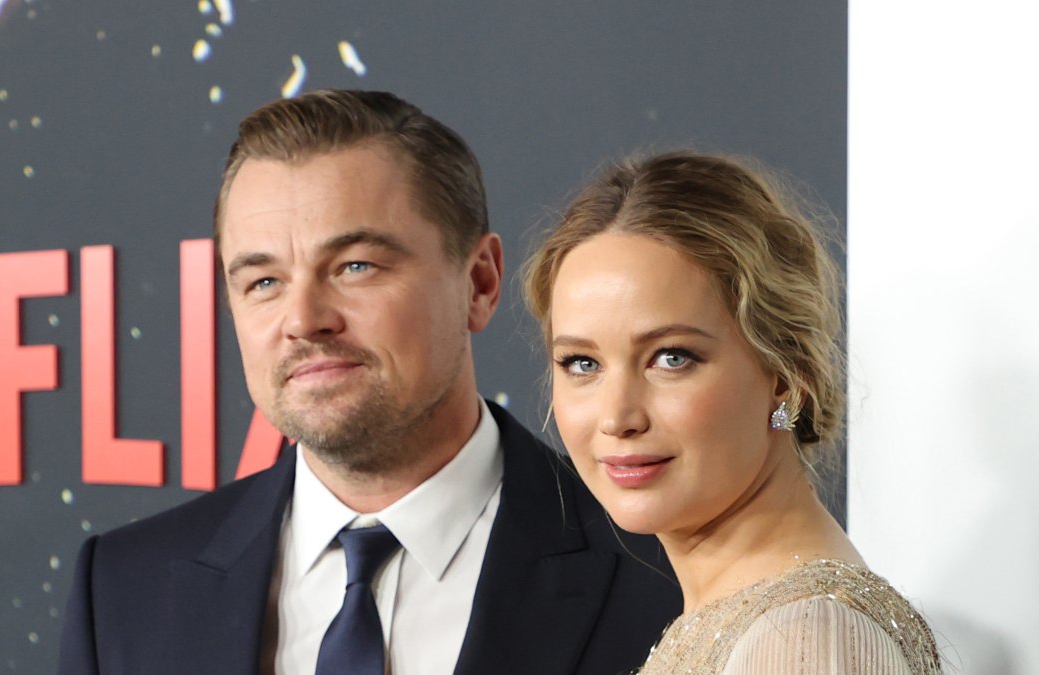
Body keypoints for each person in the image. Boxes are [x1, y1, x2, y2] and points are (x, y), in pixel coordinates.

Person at [57, 90, 680, 675]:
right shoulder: (121, 591)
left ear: (480, 283)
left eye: (356, 266)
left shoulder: (663, 567)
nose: (304, 321)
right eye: (263, 282)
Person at [523, 151, 942, 674]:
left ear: (785, 376)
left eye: (671, 358)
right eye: (582, 363)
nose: (617, 417)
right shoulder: (761, 622)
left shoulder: (803, 643)